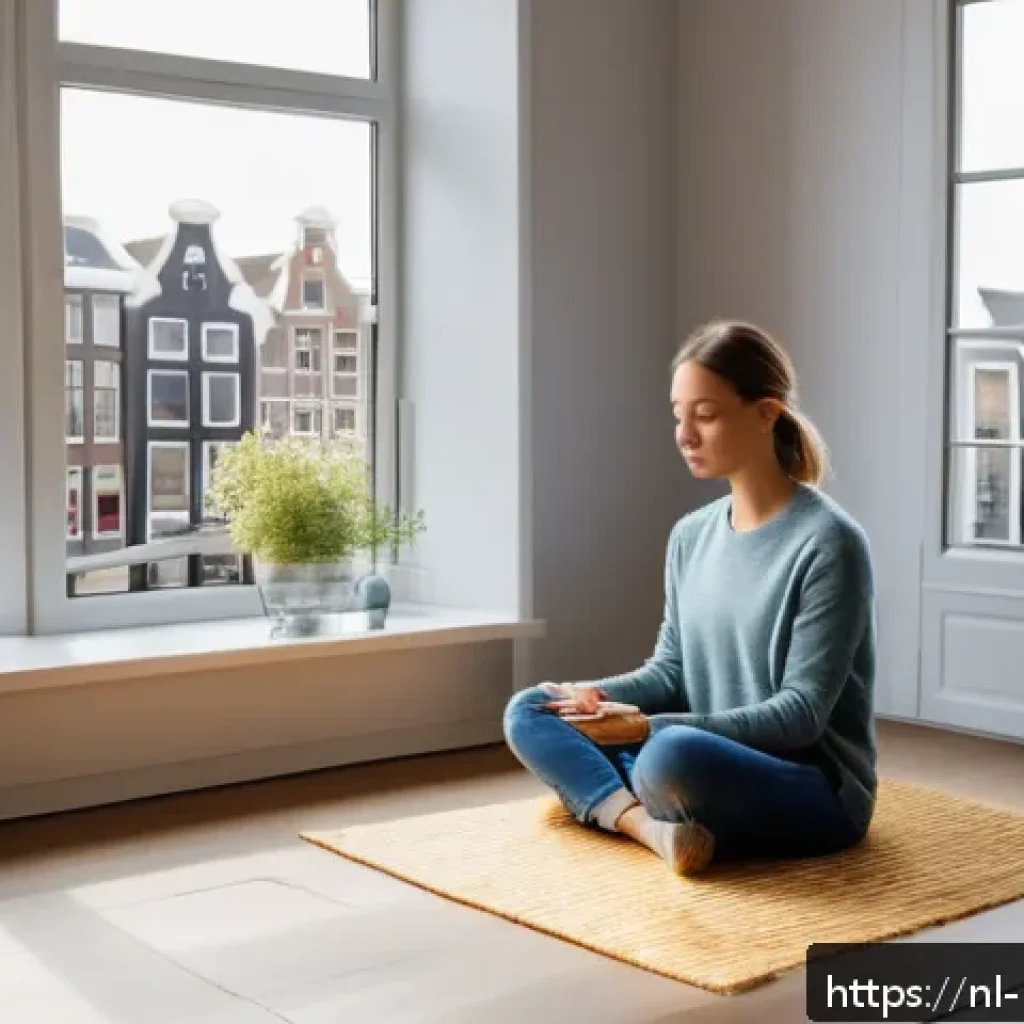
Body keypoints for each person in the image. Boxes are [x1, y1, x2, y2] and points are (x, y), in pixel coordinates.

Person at [503, 319, 877, 876]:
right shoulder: (690, 535)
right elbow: (671, 670)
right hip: (688, 754)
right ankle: (650, 827)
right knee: (532, 708)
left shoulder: (830, 543)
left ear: (766, 414)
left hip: (807, 785)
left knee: (669, 755)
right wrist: (593, 695)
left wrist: (645, 729)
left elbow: (800, 717)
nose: (684, 434)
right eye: (679, 415)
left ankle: (617, 800)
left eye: (705, 415)